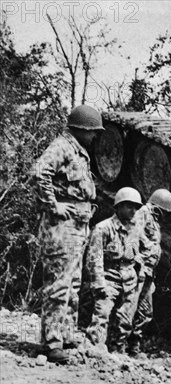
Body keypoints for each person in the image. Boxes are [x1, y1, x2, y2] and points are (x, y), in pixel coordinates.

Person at [31, 104, 104, 364]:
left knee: (73, 283)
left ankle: (66, 334)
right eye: (93, 131)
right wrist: (53, 206)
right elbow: (40, 172)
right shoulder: (62, 146)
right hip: (62, 226)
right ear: (82, 129)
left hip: (78, 224)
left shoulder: (78, 151)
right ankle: (51, 343)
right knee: (59, 284)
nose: (95, 136)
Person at [85, 187, 147, 354]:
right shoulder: (103, 228)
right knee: (102, 314)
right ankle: (95, 349)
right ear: (118, 206)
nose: (133, 210)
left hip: (129, 280)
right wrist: (99, 285)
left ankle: (118, 350)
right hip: (108, 277)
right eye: (129, 206)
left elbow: (142, 251)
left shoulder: (136, 229)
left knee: (125, 320)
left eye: (136, 207)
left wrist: (140, 269)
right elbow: (94, 259)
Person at [130, 188, 171, 357]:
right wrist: (139, 261)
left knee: (145, 312)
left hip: (148, 272)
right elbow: (132, 236)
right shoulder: (143, 213)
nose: (166, 216)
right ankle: (118, 345)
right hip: (139, 269)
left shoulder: (153, 220)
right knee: (129, 308)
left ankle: (134, 345)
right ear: (158, 208)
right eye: (165, 212)